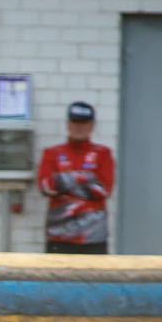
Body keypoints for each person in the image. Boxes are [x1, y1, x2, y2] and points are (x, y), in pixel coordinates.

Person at [34, 101, 114, 254]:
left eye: (84, 123)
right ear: (68, 124)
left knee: (94, 277)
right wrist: (86, 178)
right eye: (75, 122)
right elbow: (45, 187)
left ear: (92, 126)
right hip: (59, 236)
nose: (79, 127)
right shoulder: (52, 153)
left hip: (93, 236)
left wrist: (64, 180)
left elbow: (104, 190)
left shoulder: (103, 153)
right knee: (56, 277)